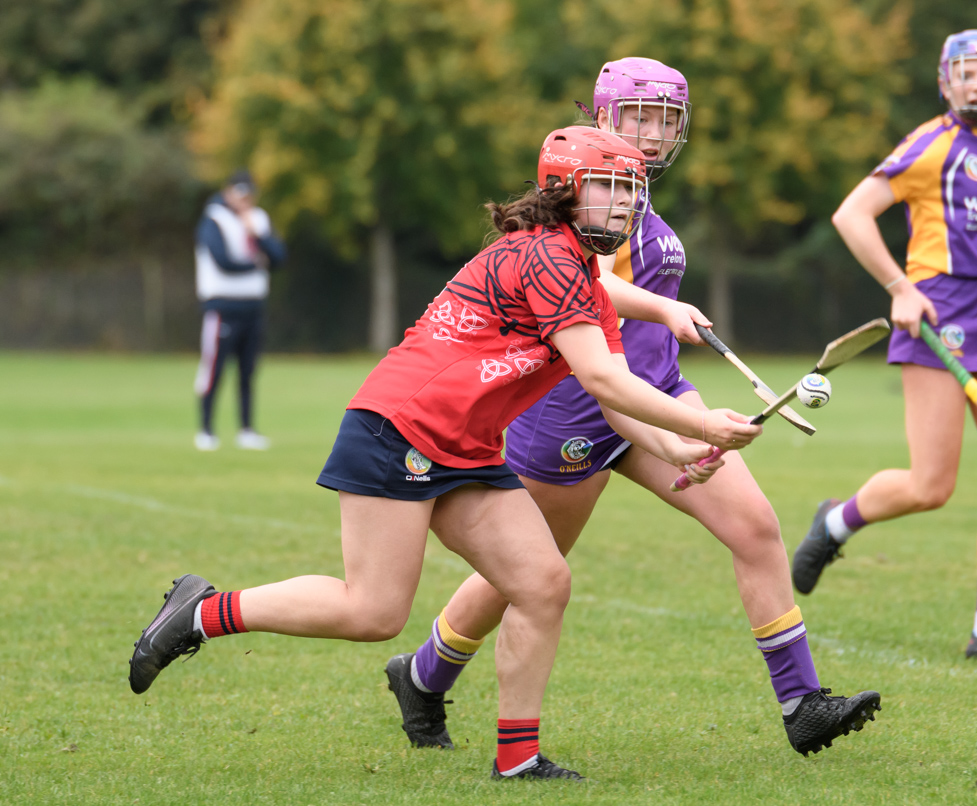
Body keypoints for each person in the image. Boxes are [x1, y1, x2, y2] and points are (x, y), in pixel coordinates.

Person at [129, 126, 763, 782]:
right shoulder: (545, 257)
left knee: (542, 583)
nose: (625, 203)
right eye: (609, 187)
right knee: (372, 612)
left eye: (631, 190)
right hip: (398, 429)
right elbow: (607, 381)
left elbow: (612, 404)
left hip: (466, 448)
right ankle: (202, 612)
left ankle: (517, 760)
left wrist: (680, 445)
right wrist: (701, 423)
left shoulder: (587, 285)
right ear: (564, 190)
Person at [384, 57, 881, 761]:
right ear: (601, 117)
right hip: (574, 410)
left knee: (756, 528)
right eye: (636, 117)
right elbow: (591, 306)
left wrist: (681, 394)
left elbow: (640, 336)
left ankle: (801, 704)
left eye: (664, 120)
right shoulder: (590, 209)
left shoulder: (640, 205)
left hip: (662, 397)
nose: (650, 134)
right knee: (529, 570)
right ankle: (423, 673)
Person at [792, 30, 977, 661]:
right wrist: (900, 287)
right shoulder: (930, 145)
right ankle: (835, 522)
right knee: (932, 485)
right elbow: (852, 214)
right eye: (967, 72)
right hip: (935, 316)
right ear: (945, 81)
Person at [192, 170, 287, 451]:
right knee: (214, 369)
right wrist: (257, 263)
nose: (243, 200)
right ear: (228, 191)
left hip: (253, 306)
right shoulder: (213, 219)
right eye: (239, 193)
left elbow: (279, 257)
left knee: (248, 371)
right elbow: (223, 261)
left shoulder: (257, 219)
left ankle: (246, 429)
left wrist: (255, 234)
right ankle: (206, 430)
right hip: (222, 304)